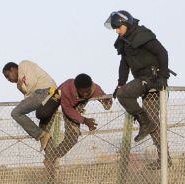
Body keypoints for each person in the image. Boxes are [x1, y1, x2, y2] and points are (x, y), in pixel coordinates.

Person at [105, 10, 171, 168]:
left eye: (118, 27)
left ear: (126, 23)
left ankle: (145, 123)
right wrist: (121, 83)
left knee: (125, 96)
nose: (117, 31)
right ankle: (165, 159)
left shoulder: (142, 35)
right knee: (152, 121)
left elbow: (162, 53)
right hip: (142, 81)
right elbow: (124, 64)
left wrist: (163, 76)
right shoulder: (124, 41)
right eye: (115, 28)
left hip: (153, 79)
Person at [40, 74, 113, 169]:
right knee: (44, 115)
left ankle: (51, 158)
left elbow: (106, 104)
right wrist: (84, 120)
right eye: (83, 92)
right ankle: (43, 126)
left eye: (88, 91)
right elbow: (67, 109)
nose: (86, 94)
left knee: (72, 138)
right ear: (76, 88)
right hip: (58, 95)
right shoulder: (66, 89)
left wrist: (108, 102)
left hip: (74, 105)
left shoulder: (95, 89)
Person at [2, 61, 58, 150]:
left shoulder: (23, 65)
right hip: (43, 94)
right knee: (41, 121)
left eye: (8, 76)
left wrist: (27, 96)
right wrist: (25, 95)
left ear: (12, 69)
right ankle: (48, 146)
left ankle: (41, 135)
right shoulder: (19, 85)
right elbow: (28, 96)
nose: (8, 80)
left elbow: (32, 83)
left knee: (16, 113)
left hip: (48, 90)